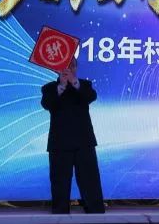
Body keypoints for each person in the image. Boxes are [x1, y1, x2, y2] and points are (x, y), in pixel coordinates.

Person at [40, 57, 105, 214]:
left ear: (76, 68)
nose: (69, 70)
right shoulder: (50, 88)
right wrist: (62, 85)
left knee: (89, 179)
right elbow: (47, 104)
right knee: (60, 181)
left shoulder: (84, 85)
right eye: (65, 67)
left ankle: (95, 211)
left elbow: (90, 96)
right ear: (58, 69)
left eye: (72, 66)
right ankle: (60, 212)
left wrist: (74, 82)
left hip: (84, 141)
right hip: (59, 143)